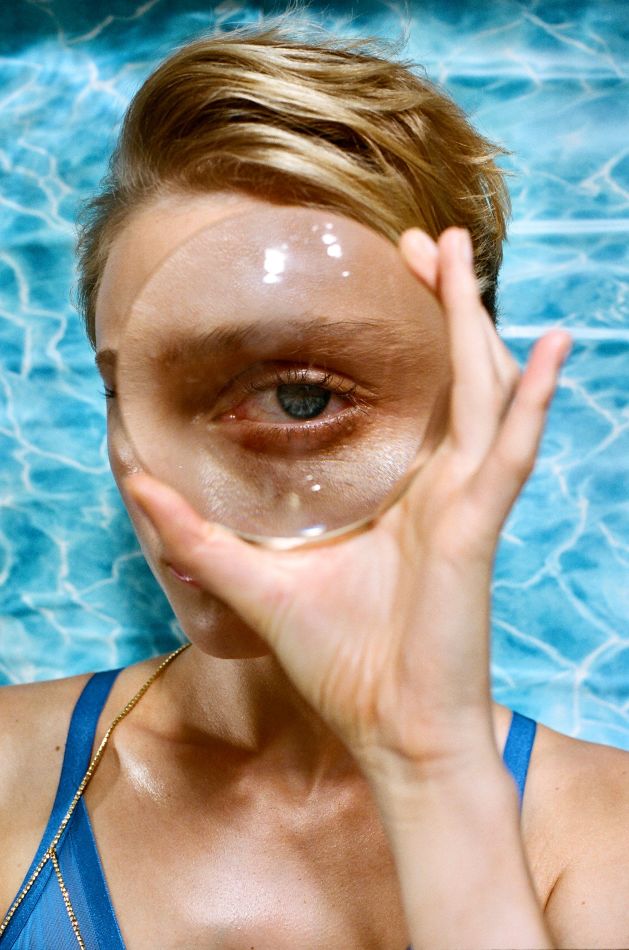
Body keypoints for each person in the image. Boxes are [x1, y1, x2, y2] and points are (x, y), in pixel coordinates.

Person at [1, 16, 627, 950]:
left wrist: (432, 770)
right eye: (129, 393)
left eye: (298, 398)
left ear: (470, 407)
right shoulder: (11, 776)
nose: (164, 486)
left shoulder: (602, 840)